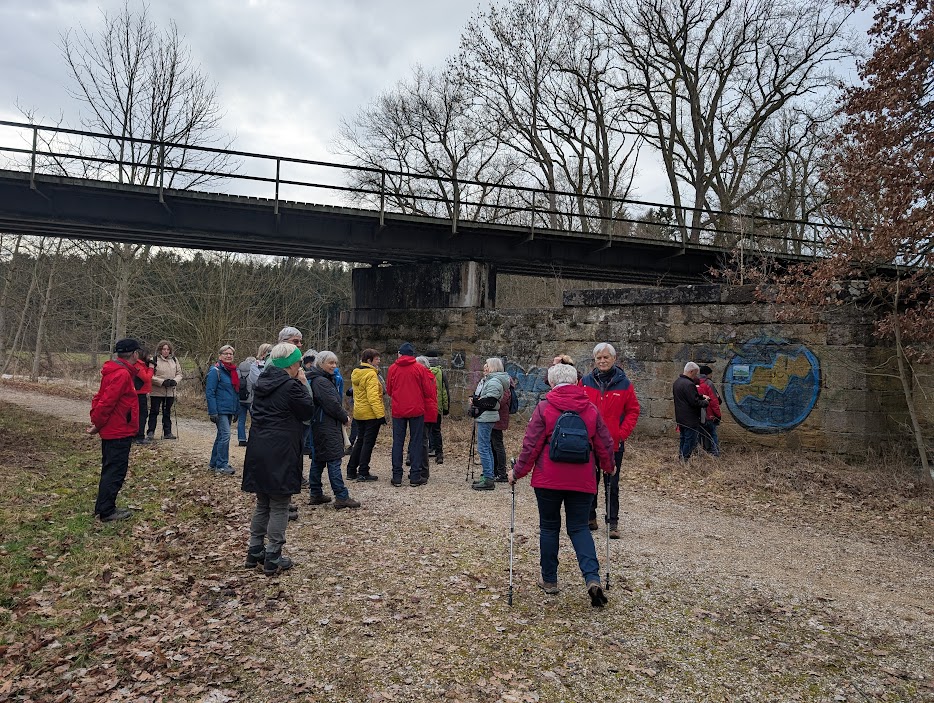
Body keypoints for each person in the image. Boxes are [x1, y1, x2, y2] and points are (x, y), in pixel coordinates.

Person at [508, 362, 615, 607]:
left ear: (553, 383)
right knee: (579, 528)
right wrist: (609, 467)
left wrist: (517, 472)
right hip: (583, 479)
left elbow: (531, 446)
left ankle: (550, 581)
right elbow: (604, 443)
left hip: (548, 479)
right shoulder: (590, 409)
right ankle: (592, 578)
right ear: (577, 382)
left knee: (549, 527)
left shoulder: (544, 408)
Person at [241, 342, 315, 576]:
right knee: (280, 504)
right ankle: (273, 555)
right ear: (292, 364)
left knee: (262, 502)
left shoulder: (262, 382)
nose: (299, 367)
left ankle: (254, 551)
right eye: (298, 363)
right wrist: (304, 384)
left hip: (259, 447)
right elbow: (307, 412)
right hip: (281, 449)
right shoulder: (291, 386)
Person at [581, 343, 641, 539]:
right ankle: (590, 517)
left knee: (611, 483)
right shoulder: (585, 382)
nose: (602, 361)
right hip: (589, 442)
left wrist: (621, 433)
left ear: (614, 359)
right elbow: (578, 406)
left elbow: (633, 410)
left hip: (613, 443)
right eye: (599, 358)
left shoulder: (624, 383)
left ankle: (612, 522)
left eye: (606, 357)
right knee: (589, 481)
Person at [88, 338, 142, 522]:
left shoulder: (115, 371)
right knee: (115, 471)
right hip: (118, 430)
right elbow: (106, 402)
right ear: (134, 354)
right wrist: (98, 423)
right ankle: (107, 512)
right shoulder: (122, 374)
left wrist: (98, 423)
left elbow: (100, 398)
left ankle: (103, 507)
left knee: (110, 469)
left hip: (116, 428)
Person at [307, 351, 361, 509]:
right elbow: (332, 404)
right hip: (327, 425)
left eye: (335, 363)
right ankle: (341, 496)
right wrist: (345, 417)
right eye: (330, 363)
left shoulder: (317, 379)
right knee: (333, 459)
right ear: (321, 363)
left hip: (320, 424)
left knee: (319, 460)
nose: (334, 366)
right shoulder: (321, 382)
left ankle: (316, 493)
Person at [385, 342, 437, 487]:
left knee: (398, 442)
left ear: (400, 354)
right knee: (416, 442)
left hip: (398, 410)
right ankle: (415, 475)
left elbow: (389, 390)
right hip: (416, 409)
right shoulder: (419, 368)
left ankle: (397, 476)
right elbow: (427, 391)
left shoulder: (392, 369)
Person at [470, 358, 510, 491]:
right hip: (486, 416)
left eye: (487, 366)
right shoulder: (494, 380)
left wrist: (476, 402)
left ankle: (488, 478)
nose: (485, 368)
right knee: (486, 447)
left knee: (484, 448)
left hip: (487, 417)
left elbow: (490, 402)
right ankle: (489, 476)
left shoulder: (494, 381)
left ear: (493, 367)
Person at [347, 348, 385, 482]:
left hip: (359, 412)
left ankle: (351, 470)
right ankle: (363, 471)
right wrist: (380, 415)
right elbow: (373, 397)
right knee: (367, 443)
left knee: (360, 441)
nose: (379, 361)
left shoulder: (357, 372)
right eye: (376, 359)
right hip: (370, 414)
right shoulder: (371, 375)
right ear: (369, 360)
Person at [205, 344, 241, 475]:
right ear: (220, 356)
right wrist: (213, 411)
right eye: (226, 353)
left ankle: (214, 463)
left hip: (229, 409)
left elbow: (235, 392)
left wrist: (237, 410)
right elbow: (210, 392)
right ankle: (222, 465)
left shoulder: (232, 371)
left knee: (221, 436)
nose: (229, 355)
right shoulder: (215, 371)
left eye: (231, 353)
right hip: (220, 409)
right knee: (225, 435)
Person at [673, 361, 710, 461]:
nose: (696, 376)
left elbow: (688, 396)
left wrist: (701, 396)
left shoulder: (677, 382)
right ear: (691, 371)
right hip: (690, 419)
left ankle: (681, 458)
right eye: (695, 373)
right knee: (690, 441)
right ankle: (684, 460)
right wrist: (705, 402)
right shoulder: (689, 384)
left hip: (681, 418)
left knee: (683, 439)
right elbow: (694, 402)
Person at [147, 340, 182, 440]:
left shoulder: (174, 360)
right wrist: (162, 382)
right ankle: (150, 432)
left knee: (167, 412)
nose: (166, 351)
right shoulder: (154, 359)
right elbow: (150, 375)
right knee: (154, 411)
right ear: (160, 350)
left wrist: (175, 381)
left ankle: (168, 432)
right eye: (164, 349)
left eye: (168, 349)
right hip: (157, 391)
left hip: (170, 391)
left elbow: (179, 373)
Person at [427, 355, 450, 464]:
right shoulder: (441, 373)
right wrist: (446, 407)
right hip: (437, 406)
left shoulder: (422, 372)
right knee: (436, 431)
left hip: (425, 407)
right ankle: (439, 454)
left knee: (422, 432)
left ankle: (420, 453)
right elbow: (445, 391)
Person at [491, 372, 513, 483]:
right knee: (493, 444)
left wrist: (487, 401)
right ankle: (495, 470)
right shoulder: (501, 383)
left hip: (498, 418)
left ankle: (501, 472)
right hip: (495, 417)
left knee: (497, 445)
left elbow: (501, 401)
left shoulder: (504, 385)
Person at [132, 346, 155, 444]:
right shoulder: (138, 365)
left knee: (140, 414)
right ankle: (139, 436)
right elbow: (146, 378)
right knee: (142, 414)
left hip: (141, 392)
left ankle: (136, 435)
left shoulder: (141, 365)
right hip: (139, 393)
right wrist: (151, 368)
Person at [697, 365, 722, 456]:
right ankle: (715, 453)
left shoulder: (695, 383)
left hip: (698, 414)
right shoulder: (709, 383)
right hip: (709, 415)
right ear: (708, 374)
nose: (712, 376)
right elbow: (714, 402)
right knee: (712, 434)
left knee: (700, 434)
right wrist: (718, 415)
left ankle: (701, 452)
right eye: (711, 374)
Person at [236, 355, 256, 447]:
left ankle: (241, 439)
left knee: (241, 420)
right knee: (254, 420)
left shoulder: (238, 370)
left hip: (240, 399)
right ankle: (253, 439)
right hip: (251, 399)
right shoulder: (253, 370)